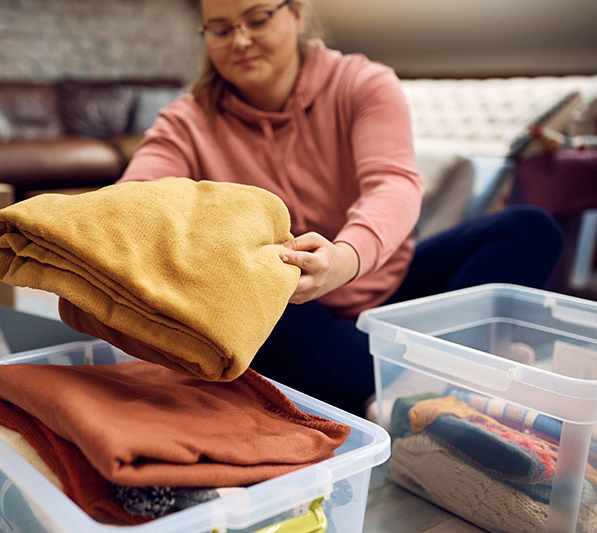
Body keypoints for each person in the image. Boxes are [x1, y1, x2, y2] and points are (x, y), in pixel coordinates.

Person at [118, 0, 563, 416]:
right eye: (219, 29)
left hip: (389, 290)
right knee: (240, 321)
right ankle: (457, 366)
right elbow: (134, 200)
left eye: (257, 19)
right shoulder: (186, 121)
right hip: (294, 310)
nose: (239, 40)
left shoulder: (362, 83)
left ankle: (419, 378)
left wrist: (345, 258)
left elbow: (393, 184)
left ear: (296, 13)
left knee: (530, 228)